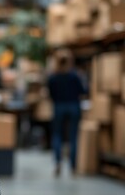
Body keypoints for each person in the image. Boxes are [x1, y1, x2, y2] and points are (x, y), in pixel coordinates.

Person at [47, 48, 86, 177]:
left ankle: (58, 162)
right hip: (74, 106)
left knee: (57, 134)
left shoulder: (53, 77)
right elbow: (83, 91)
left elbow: (50, 94)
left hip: (59, 106)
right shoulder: (75, 76)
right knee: (73, 136)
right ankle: (73, 166)